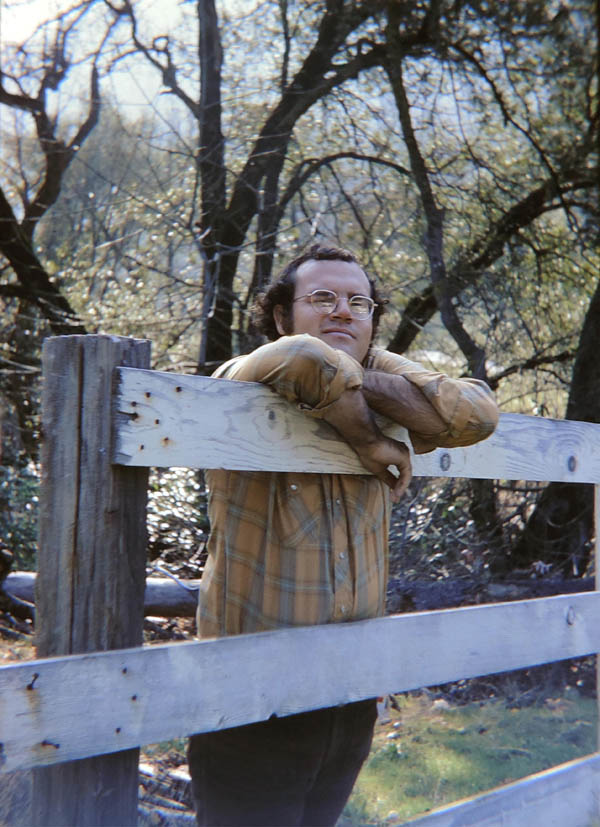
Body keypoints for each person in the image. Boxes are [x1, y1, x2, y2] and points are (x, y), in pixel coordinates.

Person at [187, 243, 499, 826]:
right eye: (322, 298)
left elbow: (476, 413)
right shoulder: (240, 383)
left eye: (359, 302)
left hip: (352, 691)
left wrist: (366, 380)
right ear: (282, 315)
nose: (342, 311)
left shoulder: (374, 390)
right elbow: (306, 361)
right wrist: (370, 439)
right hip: (252, 695)